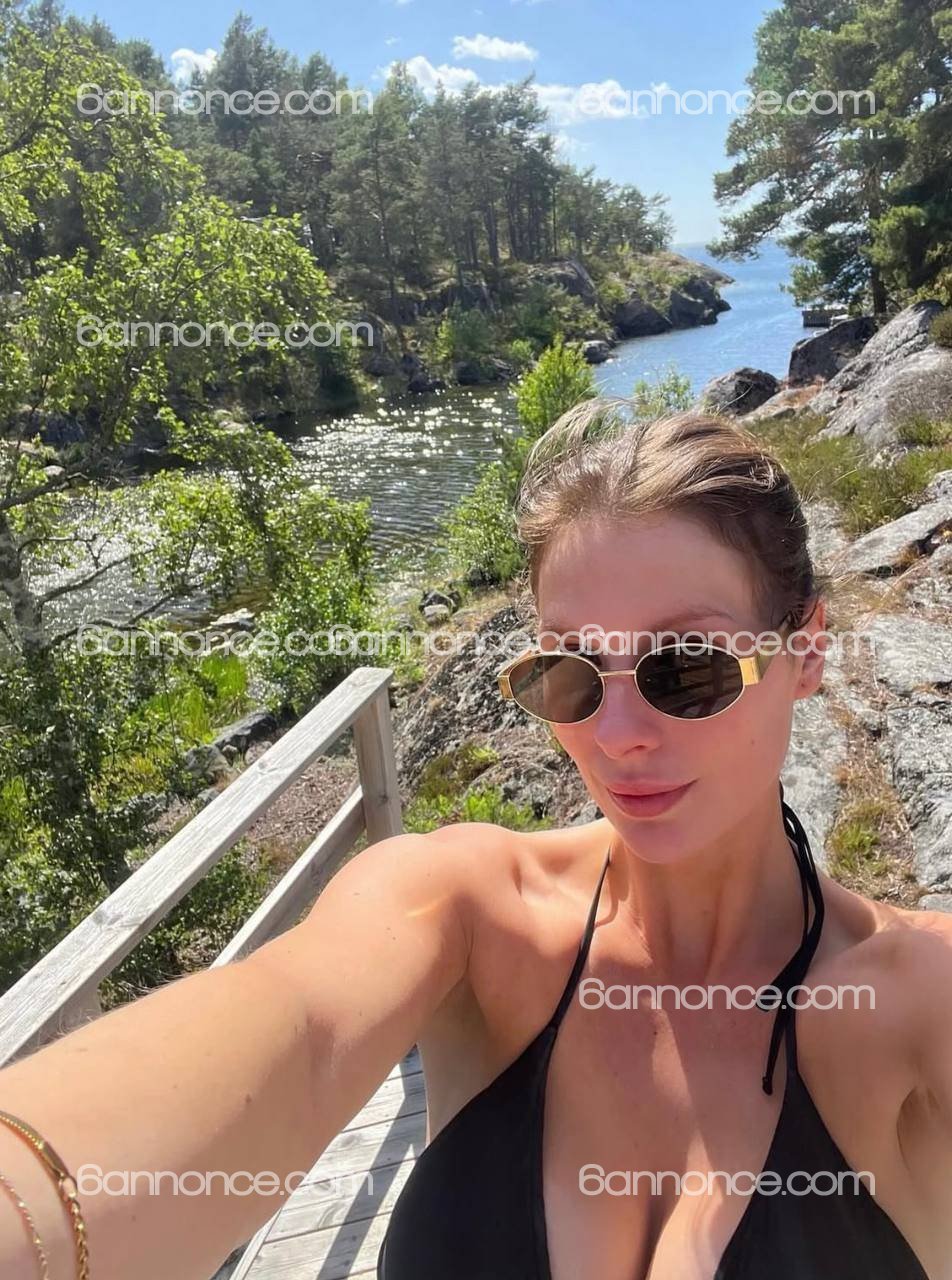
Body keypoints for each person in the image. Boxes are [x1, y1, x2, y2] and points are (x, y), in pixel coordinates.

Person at [1, 400, 950, 1280]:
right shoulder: (467, 912)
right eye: (571, 672)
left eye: (687, 668)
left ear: (807, 648)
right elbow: (298, 1026)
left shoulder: (919, 999)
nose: (616, 735)